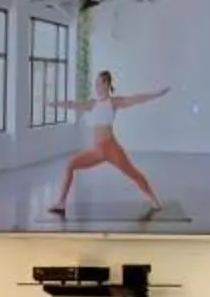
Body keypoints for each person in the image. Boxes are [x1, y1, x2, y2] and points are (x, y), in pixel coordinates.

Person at [50, 68, 171, 216]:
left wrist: (157, 94)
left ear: (106, 84)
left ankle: (154, 200)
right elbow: (73, 104)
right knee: (70, 164)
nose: (96, 86)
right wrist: (55, 104)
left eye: (99, 83)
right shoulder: (92, 104)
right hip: (96, 150)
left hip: (111, 148)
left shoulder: (113, 102)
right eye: (95, 83)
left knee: (134, 174)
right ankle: (61, 202)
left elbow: (136, 99)